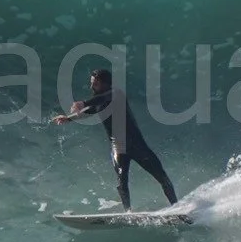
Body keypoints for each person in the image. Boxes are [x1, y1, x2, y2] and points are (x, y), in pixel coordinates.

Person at [51, 65, 177, 209]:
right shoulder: (98, 102)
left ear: (106, 83)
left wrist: (84, 102)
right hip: (118, 148)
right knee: (121, 182)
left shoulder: (116, 94)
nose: (92, 87)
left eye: (95, 84)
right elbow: (87, 111)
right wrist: (68, 118)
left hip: (137, 145)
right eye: (91, 83)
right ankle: (128, 212)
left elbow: (101, 99)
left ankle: (177, 207)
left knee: (162, 177)